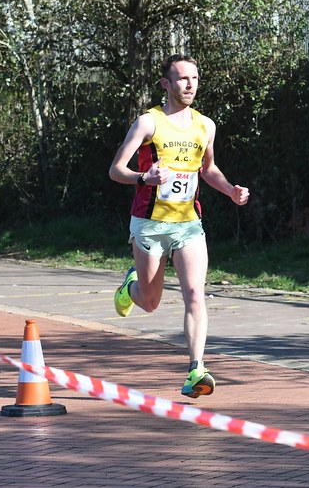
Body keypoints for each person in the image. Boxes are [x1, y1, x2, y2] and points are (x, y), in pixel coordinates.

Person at [109, 53, 249, 398]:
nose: (190, 85)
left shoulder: (206, 125)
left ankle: (195, 370)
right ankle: (131, 289)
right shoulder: (148, 123)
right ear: (166, 84)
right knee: (151, 302)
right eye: (183, 79)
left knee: (195, 295)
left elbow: (208, 169)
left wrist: (230, 190)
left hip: (189, 225)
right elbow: (115, 170)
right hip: (150, 224)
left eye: (195, 79)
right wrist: (144, 177)